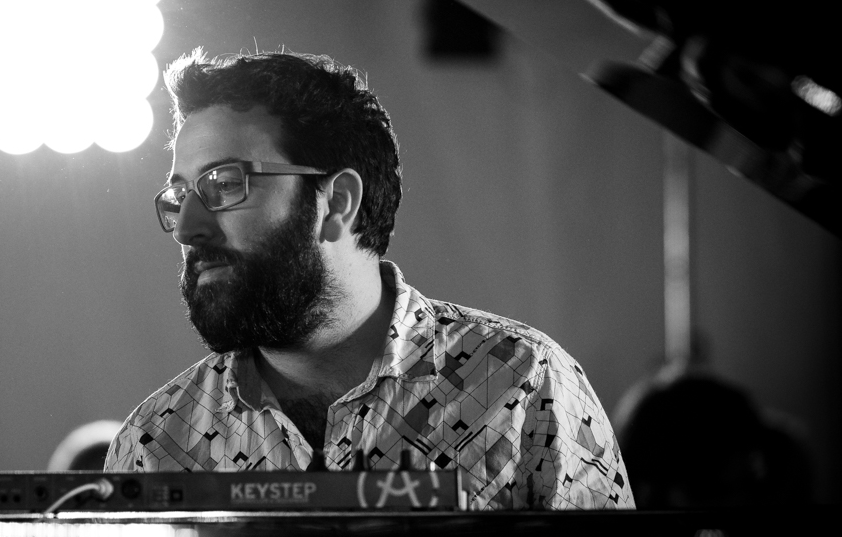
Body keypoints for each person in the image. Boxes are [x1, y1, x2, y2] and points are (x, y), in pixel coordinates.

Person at [105, 49, 633, 510]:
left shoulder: (523, 385)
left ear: (337, 202)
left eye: (223, 184)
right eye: (179, 197)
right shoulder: (155, 442)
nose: (187, 229)